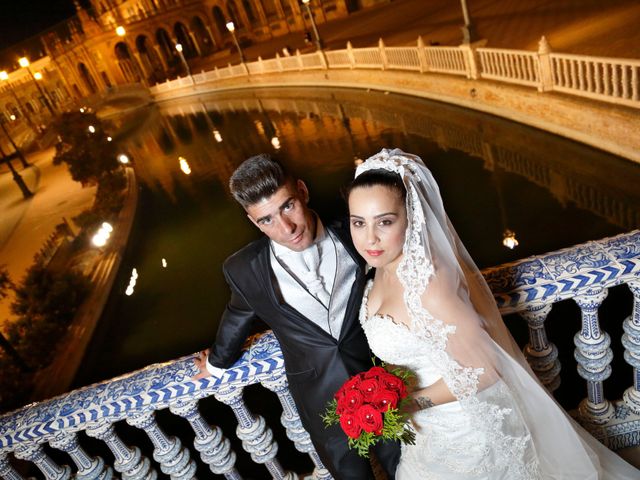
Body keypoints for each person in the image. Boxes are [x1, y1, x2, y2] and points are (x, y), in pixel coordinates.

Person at [346, 148, 640, 479]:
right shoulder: (381, 266)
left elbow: (484, 370)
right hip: (429, 433)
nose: (370, 238)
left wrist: (409, 404)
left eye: (385, 221)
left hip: (464, 432)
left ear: (411, 217)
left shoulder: (430, 288)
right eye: (359, 222)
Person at [194, 154, 400, 479]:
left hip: (384, 377)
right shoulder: (244, 269)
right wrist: (218, 363)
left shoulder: (353, 228)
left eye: (287, 206)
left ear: (302, 191)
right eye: (266, 220)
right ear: (253, 221)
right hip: (320, 398)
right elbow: (237, 314)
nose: (286, 228)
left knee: (408, 466)